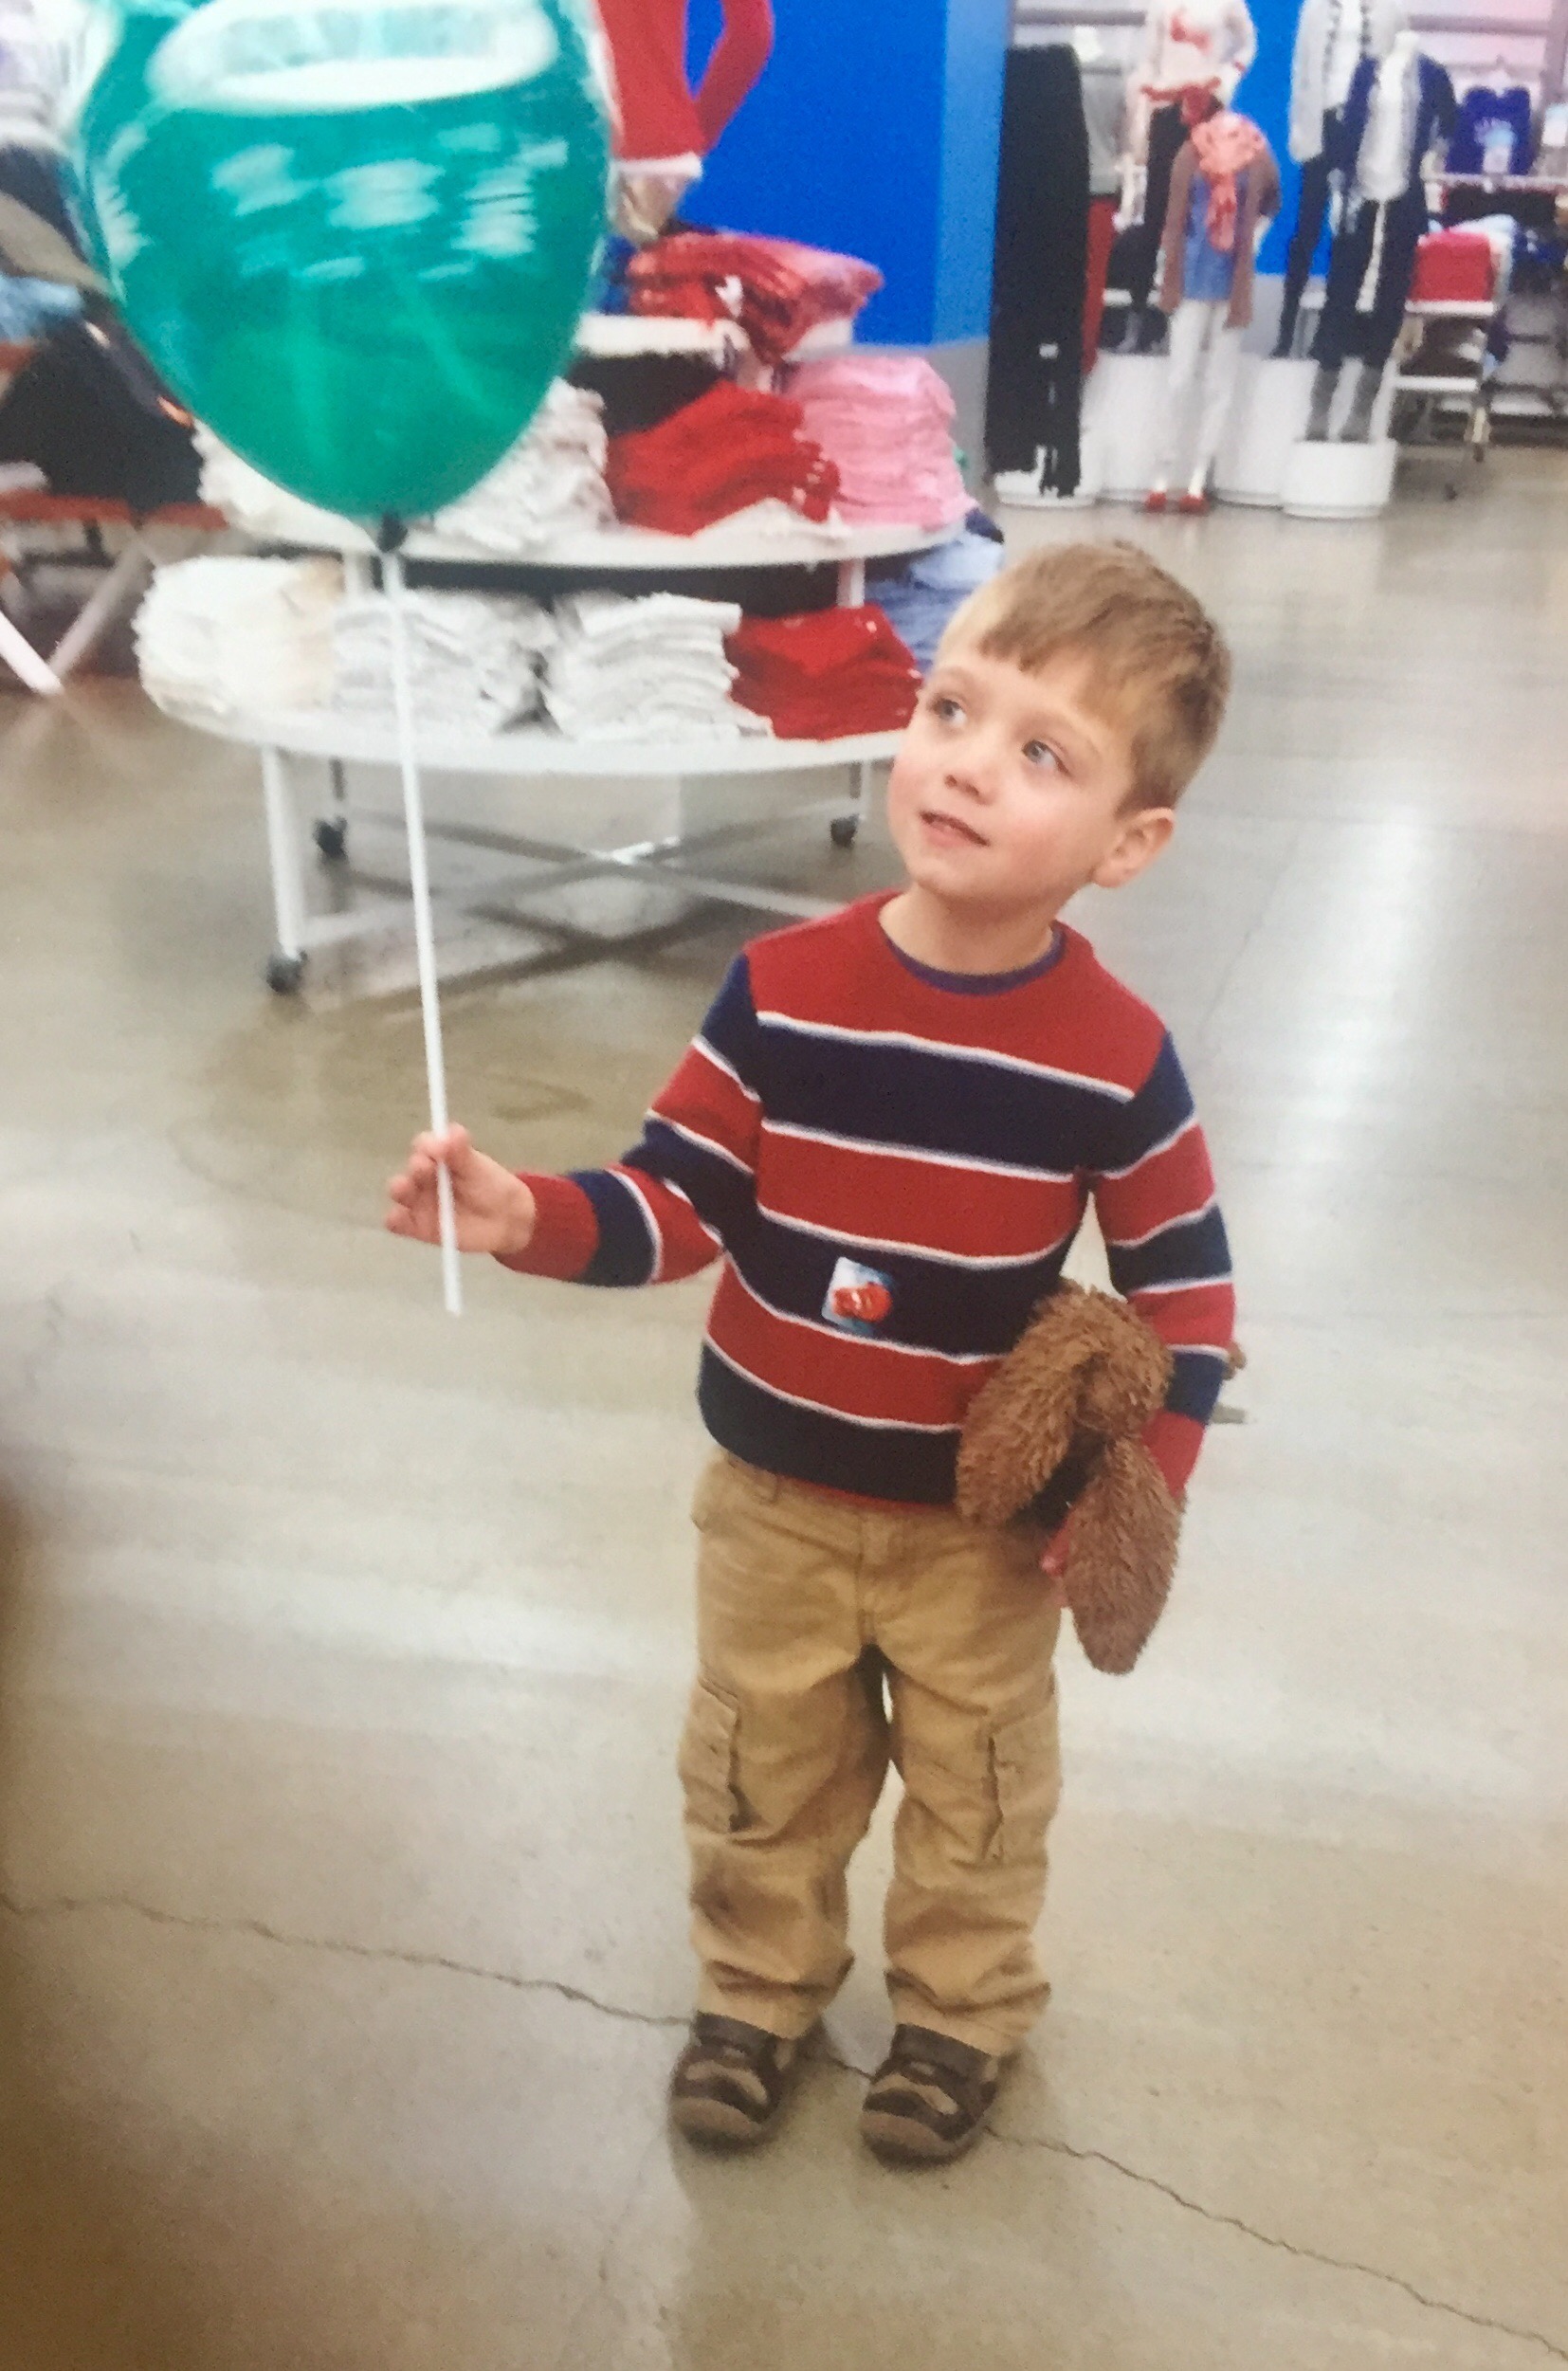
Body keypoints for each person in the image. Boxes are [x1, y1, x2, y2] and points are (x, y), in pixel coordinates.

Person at [386, 541, 1237, 2168]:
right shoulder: (780, 991)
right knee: (757, 1770)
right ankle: (756, 1990)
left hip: (981, 1531)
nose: (965, 764)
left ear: (1127, 842)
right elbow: (676, 1199)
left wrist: (1136, 1492)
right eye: (949, 709)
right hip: (770, 1504)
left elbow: (1185, 1294)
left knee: (979, 1789)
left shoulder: (1115, 1058)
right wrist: (523, 1214)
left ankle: (959, 2014)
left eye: (1040, 751)